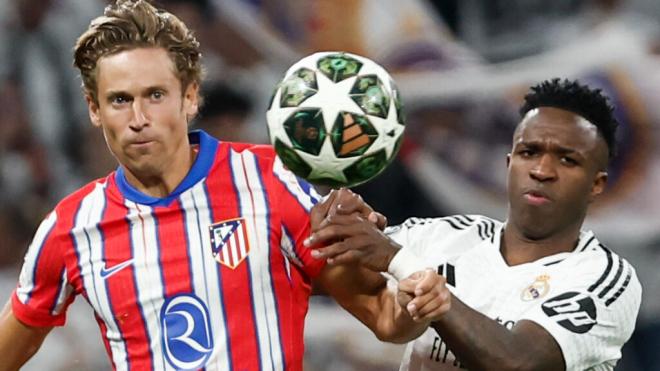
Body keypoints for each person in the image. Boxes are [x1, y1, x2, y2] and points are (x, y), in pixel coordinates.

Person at [0, 1, 448, 370]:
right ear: (94, 109)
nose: (138, 119)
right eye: (120, 100)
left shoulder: (271, 182)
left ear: (190, 96)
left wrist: (413, 304)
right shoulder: (71, 227)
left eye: (155, 95)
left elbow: (385, 318)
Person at [308, 78, 642, 370]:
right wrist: (338, 227)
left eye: (567, 160)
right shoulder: (444, 236)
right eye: (529, 152)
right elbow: (324, 272)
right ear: (509, 163)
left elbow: (521, 363)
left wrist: (403, 265)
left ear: (596, 184)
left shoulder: (605, 279)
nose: (542, 170)